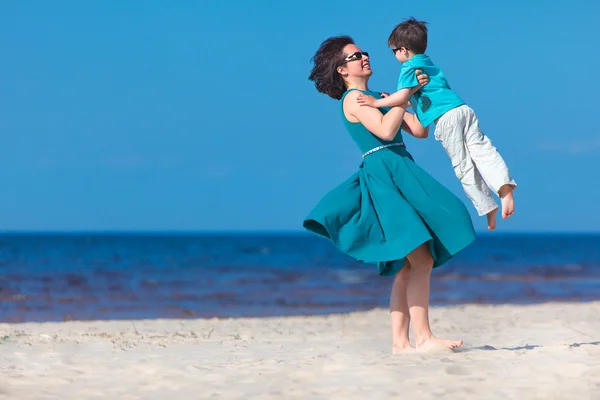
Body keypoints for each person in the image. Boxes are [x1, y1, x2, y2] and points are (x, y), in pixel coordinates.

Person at [304, 35, 476, 353]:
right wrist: (402, 95)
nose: (364, 58)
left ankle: (401, 344)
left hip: (401, 168)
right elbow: (384, 130)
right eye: (356, 56)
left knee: (409, 262)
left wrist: (410, 97)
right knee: (420, 256)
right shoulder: (354, 99)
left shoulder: (377, 96)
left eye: (364, 53)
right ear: (342, 69)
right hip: (384, 173)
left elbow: (420, 131)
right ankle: (423, 338)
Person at [357, 18, 517, 230]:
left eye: (394, 50)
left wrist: (377, 101)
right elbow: (427, 99)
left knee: (463, 165)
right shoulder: (428, 63)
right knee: (483, 151)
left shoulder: (408, 68)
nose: (394, 55)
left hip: (447, 119)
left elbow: (403, 94)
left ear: (403, 50)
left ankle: (487, 208)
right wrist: (403, 105)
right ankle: (504, 189)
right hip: (462, 109)